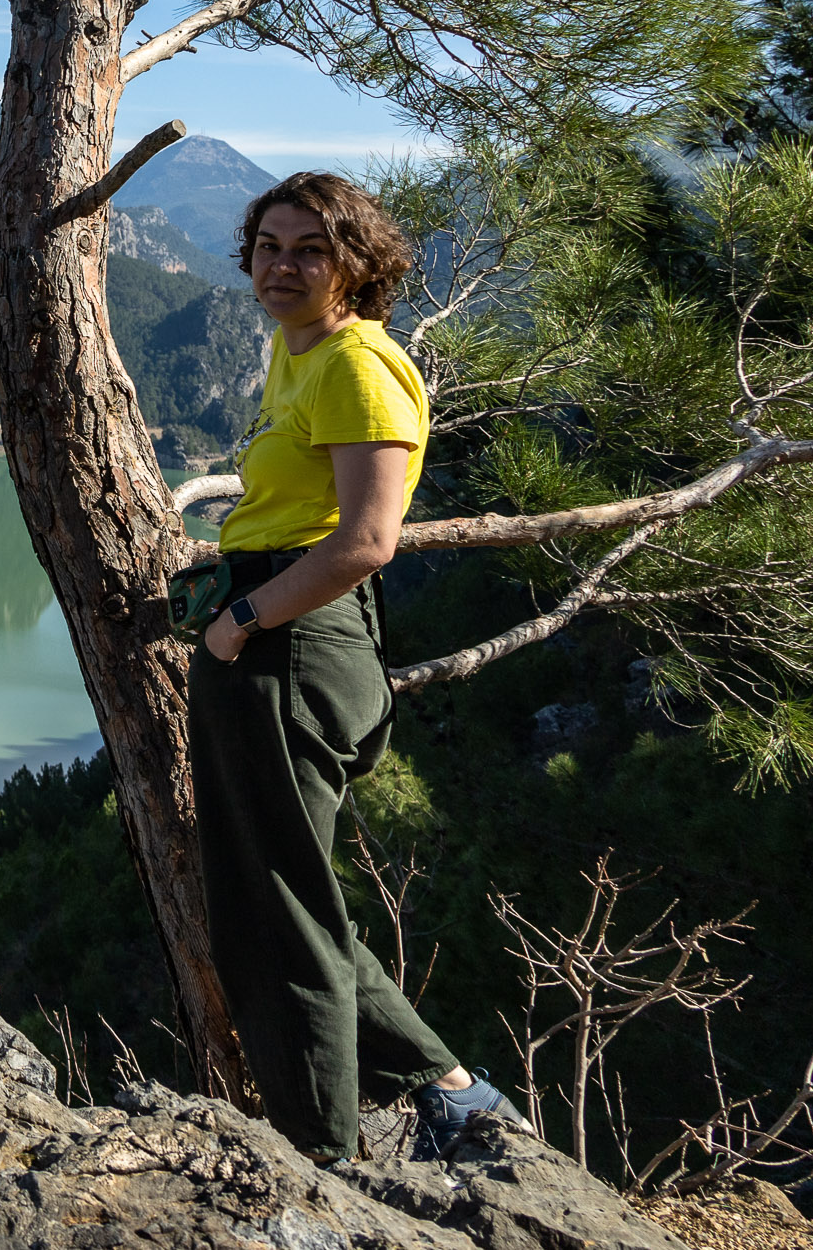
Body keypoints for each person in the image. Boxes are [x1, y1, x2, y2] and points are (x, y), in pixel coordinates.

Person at [191, 171, 525, 1166]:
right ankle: (451, 1091)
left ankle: (320, 1156)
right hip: (273, 636)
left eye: (311, 250)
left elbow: (368, 540)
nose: (282, 266)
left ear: (357, 265)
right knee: (278, 897)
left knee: (280, 915)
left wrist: (240, 620)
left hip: (291, 643)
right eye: (268, 246)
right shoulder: (296, 350)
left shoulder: (356, 364)